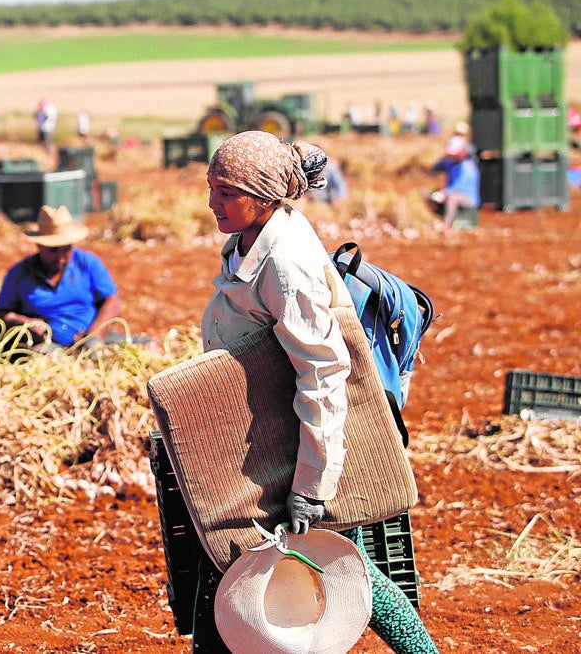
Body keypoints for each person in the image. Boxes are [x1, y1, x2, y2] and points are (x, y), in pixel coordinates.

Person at [189, 130, 436, 653]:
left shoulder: (286, 263)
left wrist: (312, 483)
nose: (212, 202)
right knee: (231, 570)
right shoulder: (249, 240)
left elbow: (323, 374)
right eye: (211, 187)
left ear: (262, 195)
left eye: (225, 192)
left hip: (295, 439)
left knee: (342, 567)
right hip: (266, 430)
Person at [0, 205, 123, 352]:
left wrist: (94, 336)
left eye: (66, 249)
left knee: (148, 347)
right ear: (39, 246)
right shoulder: (20, 273)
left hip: (91, 338)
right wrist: (25, 323)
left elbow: (112, 300)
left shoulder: (87, 263)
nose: (60, 257)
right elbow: (1, 316)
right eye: (53, 250)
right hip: (49, 345)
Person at [427, 135, 480, 232]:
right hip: (451, 193)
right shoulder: (449, 163)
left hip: (467, 199)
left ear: (463, 152)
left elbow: (458, 186)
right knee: (426, 193)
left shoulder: (467, 167)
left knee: (452, 197)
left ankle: (446, 225)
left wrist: (443, 193)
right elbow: (432, 169)